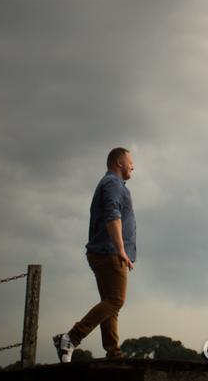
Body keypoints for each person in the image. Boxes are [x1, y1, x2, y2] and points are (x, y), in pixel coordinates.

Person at [52, 147, 137, 362]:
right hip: (109, 253)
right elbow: (113, 215)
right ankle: (71, 338)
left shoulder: (110, 183)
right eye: (130, 163)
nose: (132, 167)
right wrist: (120, 250)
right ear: (119, 162)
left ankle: (114, 353)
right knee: (116, 301)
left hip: (103, 252)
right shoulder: (113, 183)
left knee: (110, 303)